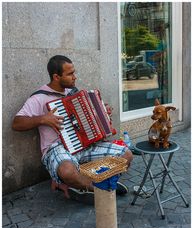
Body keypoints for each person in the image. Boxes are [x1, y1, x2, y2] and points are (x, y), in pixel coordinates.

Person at [12, 55, 133, 203]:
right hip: (57, 148)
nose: (74, 77)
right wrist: (43, 119)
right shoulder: (39, 98)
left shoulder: (73, 93)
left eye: (74, 73)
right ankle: (97, 187)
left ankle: (84, 184)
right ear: (56, 77)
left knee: (126, 155)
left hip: (83, 145)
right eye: (70, 74)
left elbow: (90, 121)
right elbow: (17, 123)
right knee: (67, 171)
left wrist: (102, 112)